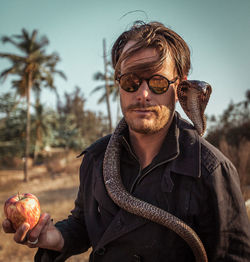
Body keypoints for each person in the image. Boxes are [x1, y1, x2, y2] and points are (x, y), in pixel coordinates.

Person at [2, 21, 250, 262]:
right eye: (131, 81)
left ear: (180, 86)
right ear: (118, 83)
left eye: (158, 83)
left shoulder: (211, 170)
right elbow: (83, 225)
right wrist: (54, 237)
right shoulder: (96, 158)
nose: (143, 94)